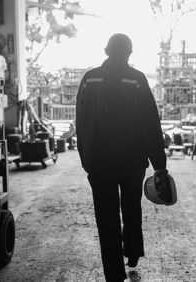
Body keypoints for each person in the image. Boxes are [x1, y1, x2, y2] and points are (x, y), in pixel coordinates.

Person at [75, 33, 167, 282]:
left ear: (106, 50)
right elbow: (150, 122)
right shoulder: (137, 79)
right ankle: (133, 251)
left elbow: (80, 121)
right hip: (131, 159)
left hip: (99, 160)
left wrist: (85, 157)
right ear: (129, 53)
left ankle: (113, 275)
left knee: (106, 217)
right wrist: (159, 164)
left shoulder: (89, 78)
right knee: (131, 207)